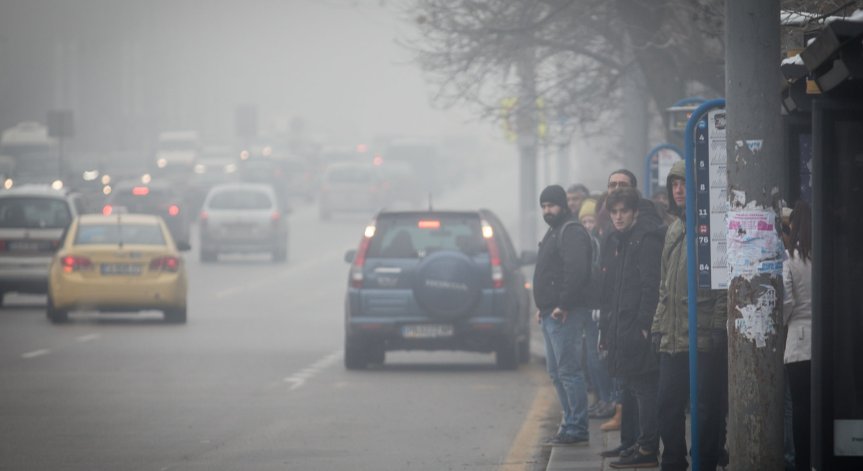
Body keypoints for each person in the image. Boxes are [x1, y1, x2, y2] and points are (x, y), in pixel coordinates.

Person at [651, 159, 728, 471]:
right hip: (672, 338)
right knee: (667, 404)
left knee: (707, 408)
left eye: (683, 183)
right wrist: (657, 325)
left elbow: (724, 286)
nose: (678, 190)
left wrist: (717, 328)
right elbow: (664, 287)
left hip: (703, 335)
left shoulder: (712, 228)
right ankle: (672, 461)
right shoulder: (674, 229)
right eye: (674, 184)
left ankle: (706, 460)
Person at [602, 188, 665, 468]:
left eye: (623, 211)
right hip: (624, 327)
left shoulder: (644, 240)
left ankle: (647, 449)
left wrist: (643, 326)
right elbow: (617, 291)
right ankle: (640, 445)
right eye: (614, 212)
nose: (617, 217)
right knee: (634, 387)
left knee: (644, 389)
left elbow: (651, 286)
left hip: (636, 328)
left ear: (634, 212)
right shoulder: (623, 240)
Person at [533, 184, 594, 445]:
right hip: (550, 313)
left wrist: (563, 304)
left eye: (551, 206)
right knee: (557, 372)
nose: (547, 211)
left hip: (564, 314)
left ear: (563, 206)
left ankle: (577, 427)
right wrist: (543, 307)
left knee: (569, 371)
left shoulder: (570, 231)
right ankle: (569, 423)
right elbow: (551, 273)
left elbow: (576, 270)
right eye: (544, 207)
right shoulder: (554, 231)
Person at [578, 197, 615, 420]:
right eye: (585, 221)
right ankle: (603, 399)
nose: (588, 225)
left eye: (591, 220)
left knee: (597, 355)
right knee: (593, 356)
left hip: (597, 306)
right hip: (591, 305)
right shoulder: (591, 240)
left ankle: (608, 399)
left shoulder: (599, 242)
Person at [783, 200, 812, 471]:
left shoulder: (790, 260)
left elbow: (787, 303)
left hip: (798, 341)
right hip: (823, 341)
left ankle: (801, 462)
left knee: (800, 407)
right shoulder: (824, 256)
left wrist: (783, 323)